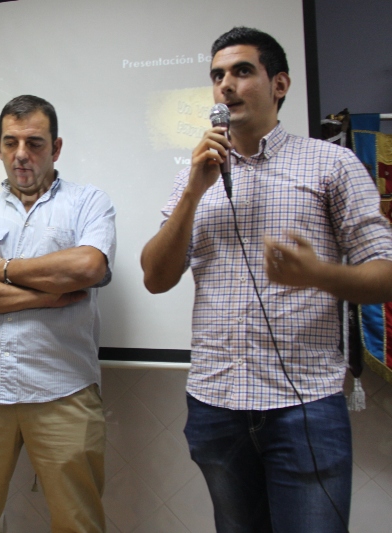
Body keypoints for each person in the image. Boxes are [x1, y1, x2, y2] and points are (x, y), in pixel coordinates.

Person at [141, 27, 392, 532]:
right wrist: (193, 191)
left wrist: (319, 275)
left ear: (279, 84)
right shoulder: (194, 174)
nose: (226, 85)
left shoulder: (332, 164)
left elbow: (384, 275)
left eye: (241, 71)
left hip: (304, 406)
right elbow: (155, 277)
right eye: (217, 75)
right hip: (215, 403)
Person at [0, 94, 116, 532]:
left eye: (34, 143)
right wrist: (43, 296)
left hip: (63, 389)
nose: (21, 154)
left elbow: (87, 267)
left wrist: (0, 269)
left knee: (79, 524)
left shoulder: (88, 202)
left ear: (56, 147)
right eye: (11, 142)